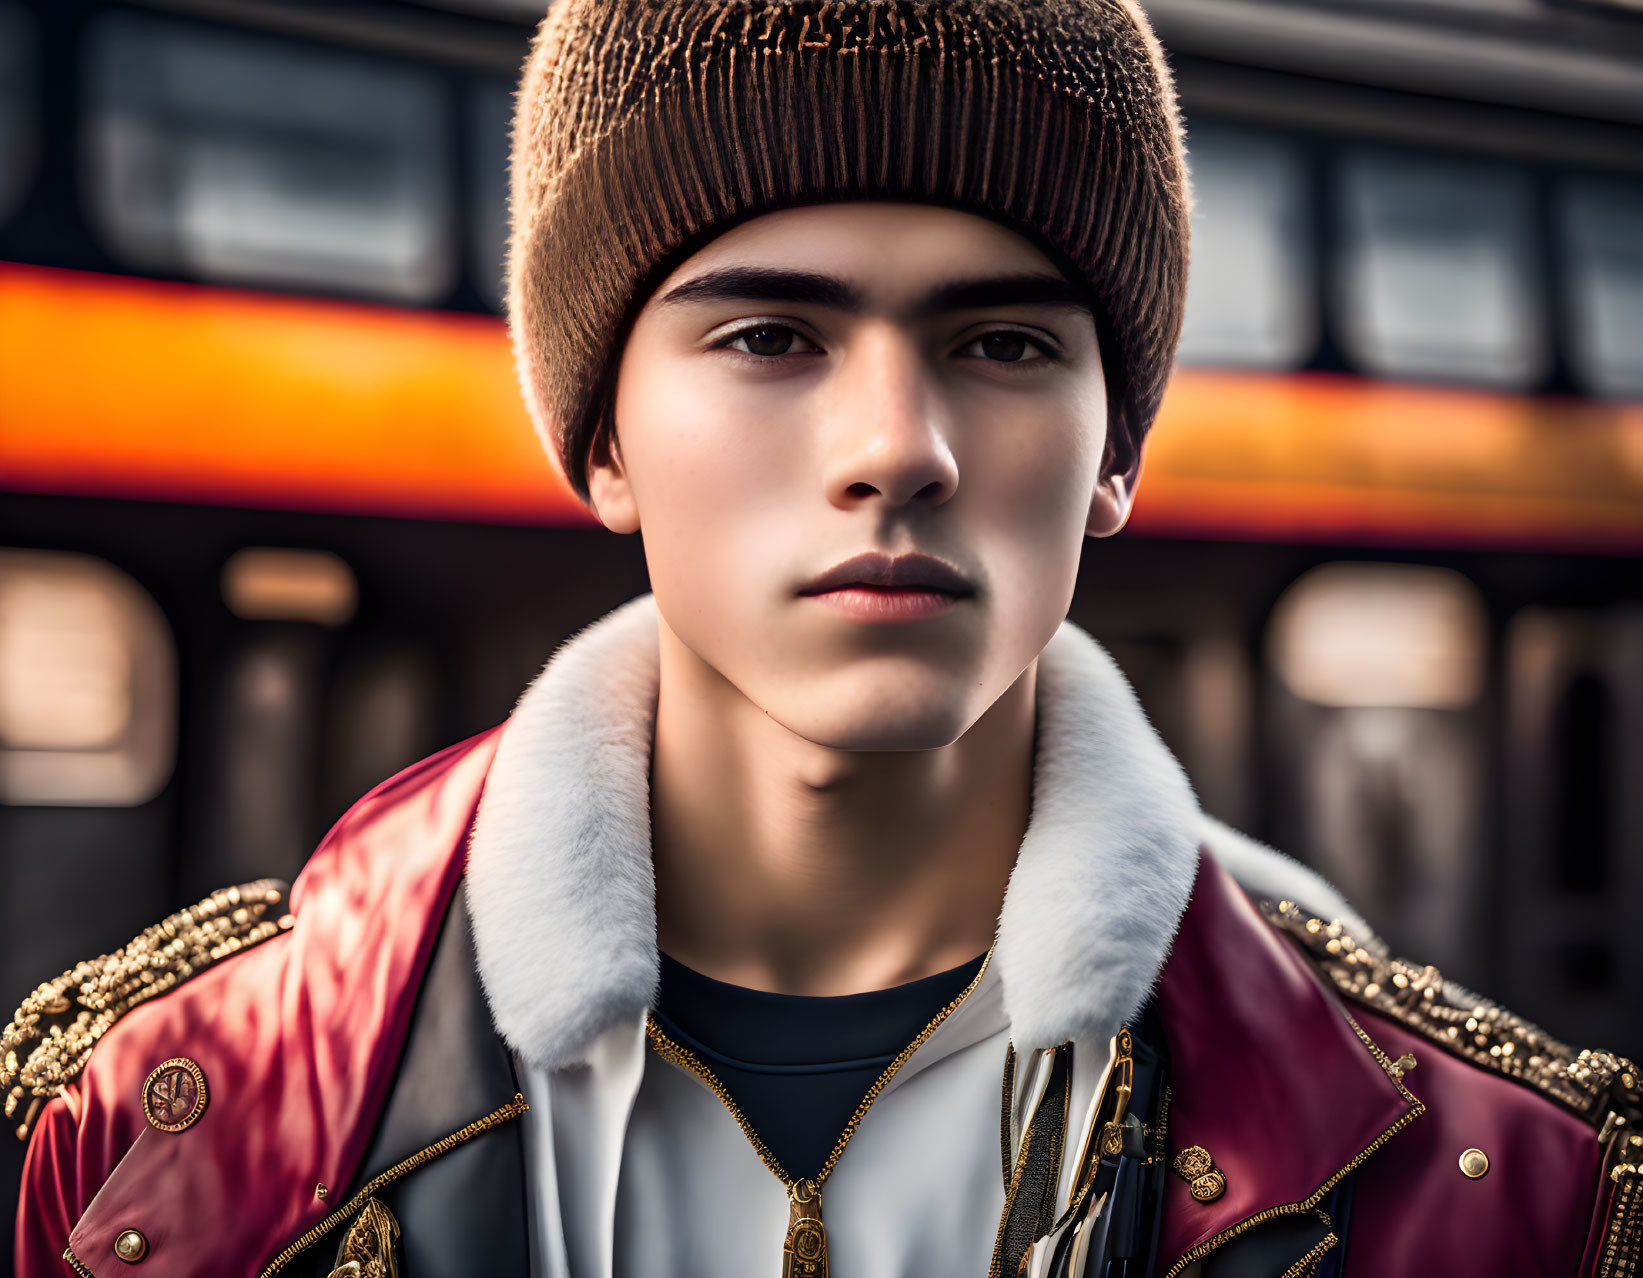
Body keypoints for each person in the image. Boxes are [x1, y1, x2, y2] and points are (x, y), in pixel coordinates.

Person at [6, 2, 1639, 1275]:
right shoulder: (129, 1141)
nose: (898, 444)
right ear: (601, 442)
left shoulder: (1522, 1190)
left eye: (1001, 339)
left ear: (1117, 453)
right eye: (772, 333)